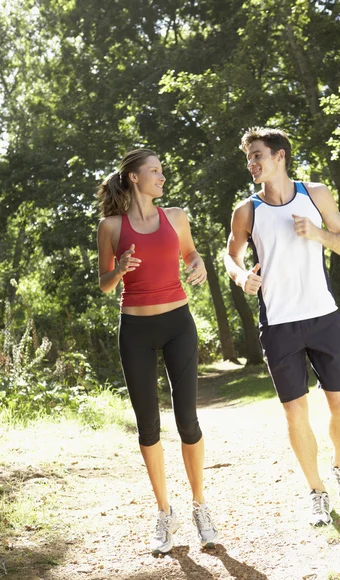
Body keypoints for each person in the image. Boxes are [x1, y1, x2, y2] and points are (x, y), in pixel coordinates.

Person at [225, 127, 340, 526]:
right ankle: (317, 491)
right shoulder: (246, 210)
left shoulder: (315, 194)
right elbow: (230, 255)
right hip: (279, 324)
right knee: (295, 413)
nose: (251, 163)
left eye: (257, 156)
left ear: (280, 155)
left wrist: (319, 233)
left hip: (322, 315)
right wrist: (239, 277)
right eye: (249, 157)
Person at [97, 148, 218, 553]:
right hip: (135, 329)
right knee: (147, 425)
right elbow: (104, 283)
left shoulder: (177, 217)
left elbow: (190, 254)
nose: (161, 177)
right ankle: (165, 512)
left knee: (188, 419)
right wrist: (119, 269)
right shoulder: (111, 226)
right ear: (133, 177)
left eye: (162, 171)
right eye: (154, 171)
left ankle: (200, 505)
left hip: (178, 324)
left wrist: (198, 263)